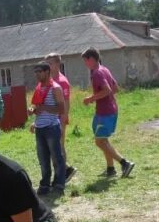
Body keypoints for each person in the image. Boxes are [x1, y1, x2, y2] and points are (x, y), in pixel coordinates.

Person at [81, 48, 135, 178]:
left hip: (104, 113)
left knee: (99, 142)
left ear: (91, 59)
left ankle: (124, 163)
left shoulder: (97, 73)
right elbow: (115, 89)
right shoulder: (105, 69)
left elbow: (107, 90)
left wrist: (91, 98)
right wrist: (101, 97)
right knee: (104, 140)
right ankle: (111, 169)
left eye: (85, 61)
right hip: (111, 110)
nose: (85, 64)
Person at [29, 62, 67, 197]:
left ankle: (59, 184)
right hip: (40, 127)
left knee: (56, 157)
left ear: (47, 72)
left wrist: (44, 108)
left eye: (39, 71)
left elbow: (61, 109)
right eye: (35, 71)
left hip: (51, 127)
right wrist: (32, 111)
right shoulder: (39, 88)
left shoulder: (55, 88)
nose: (36, 74)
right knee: (43, 158)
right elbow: (36, 106)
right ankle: (45, 183)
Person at [45, 53, 76, 182]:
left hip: (58, 119)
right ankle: (64, 170)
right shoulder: (49, 79)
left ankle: (64, 172)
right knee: (52, 147)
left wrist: (63, 120)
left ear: (58, 64)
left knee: (58, 146)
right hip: (49, 119)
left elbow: (66, 102)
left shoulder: (62, 81)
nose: (47, 66)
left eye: (50, 64)